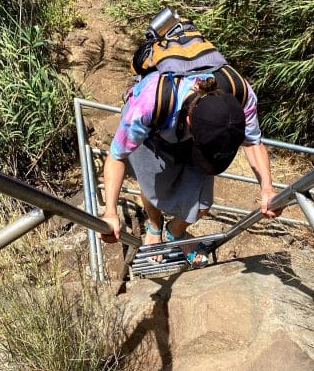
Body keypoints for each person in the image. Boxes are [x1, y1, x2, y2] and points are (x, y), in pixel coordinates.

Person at [100, 30, 281, 266]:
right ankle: (154, 226)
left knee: (202, 204)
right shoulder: (148, 105)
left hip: (196, 133)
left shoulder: (240, 93)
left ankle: (175, 233)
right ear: (189, 124)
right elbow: (117, 157)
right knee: (152, 188)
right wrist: (110, 212)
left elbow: (253, 142)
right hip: (155, 134)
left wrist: (267, 187)